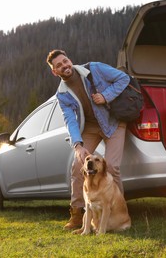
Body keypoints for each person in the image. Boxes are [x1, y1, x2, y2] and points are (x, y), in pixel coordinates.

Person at [46, 49, 130, 230]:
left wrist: (106, 96)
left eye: (65, 61)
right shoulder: (62, 94)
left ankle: (119, 213)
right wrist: (77, 145)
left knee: (113, 166)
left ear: (70, 59)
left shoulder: (94, 69)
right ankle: (77, 214)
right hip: (90, 127)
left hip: (113, 122)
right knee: (78, 166)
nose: (64, 66)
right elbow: (70, 120)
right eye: (58, 65)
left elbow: (124, 79)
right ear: (55, 71)